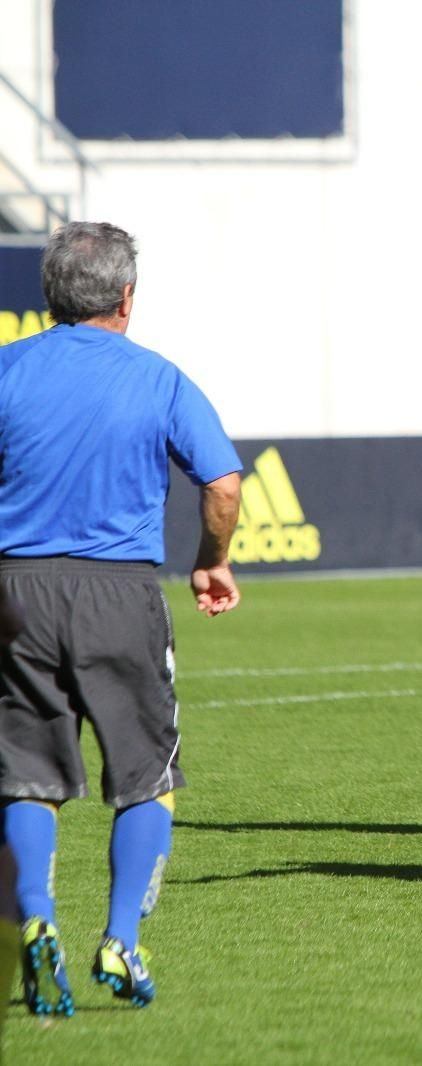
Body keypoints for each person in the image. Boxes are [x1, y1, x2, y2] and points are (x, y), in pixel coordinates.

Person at [0, 221, 243, 1013]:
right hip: (119, 592)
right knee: (145, 777)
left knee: (26, 776)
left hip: (17, 592)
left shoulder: (7, 368)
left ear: (49, 294)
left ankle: (36, 919)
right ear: (127, 297)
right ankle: (120, 941)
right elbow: (224, 484)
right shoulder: (158, 378)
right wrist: (212, 558)